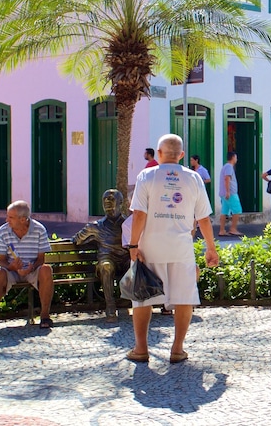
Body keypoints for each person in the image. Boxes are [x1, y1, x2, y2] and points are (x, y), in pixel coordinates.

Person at [126, 134, 219, 364]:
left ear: (158, 154)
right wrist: (211, 248)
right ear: (182, 155)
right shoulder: (194, 178)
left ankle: (141, 348)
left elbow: (138, 214)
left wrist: (134, 244)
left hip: (150, 246)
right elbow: (204, 219)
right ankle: (177, 349)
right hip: (181, 248)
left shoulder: (146, 176)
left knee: (142, 297)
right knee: (184, 298)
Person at [0, 200, 53, 335]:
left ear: (23, 219)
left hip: (32, 269)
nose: (7, 219)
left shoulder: (39, 229)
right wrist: (11, 267)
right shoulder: (4, 230)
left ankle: (45, 316)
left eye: (11, 217)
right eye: (7, 216)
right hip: (12, 271)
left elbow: (41, 260)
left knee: (46, 269)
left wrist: (31, 268)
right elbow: (1, 261)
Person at [72, 189, 130, 321]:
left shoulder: (128, 224)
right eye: (105, 201)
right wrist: (90, 237)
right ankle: (110, 306)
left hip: (126, 260)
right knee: (106, 266)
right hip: (108, 260)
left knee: (137, 263)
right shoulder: (95, 226)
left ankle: (137, 303)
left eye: (112, 200)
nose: (108, 204)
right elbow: (76, 240)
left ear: (121, 203)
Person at [218, 152, 242, 237]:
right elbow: (227, 179)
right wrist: (228, 191)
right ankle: (233, 229)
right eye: (236, 157)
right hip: (230, 193)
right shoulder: (229, 167)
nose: (236, 159)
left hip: (224, 194)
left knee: (224, 211)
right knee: (237, 210)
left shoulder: (225, 166)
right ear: (233, 158)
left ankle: (222, 230)